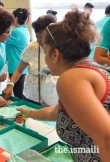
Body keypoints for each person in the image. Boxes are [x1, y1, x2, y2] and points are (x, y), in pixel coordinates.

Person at [17, 10, 110, 162]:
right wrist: (27, 113)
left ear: (55, 55)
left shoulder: (71, 79)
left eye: (46, 52)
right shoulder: (91, 69)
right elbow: (55, 113)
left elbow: (107, 139)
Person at [2, 14, 56, 105]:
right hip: (31, 96)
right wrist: (10, 85)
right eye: (37, 36)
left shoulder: (60, 50)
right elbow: (19, 70)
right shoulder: (32, 47)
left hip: (52, 98)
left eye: (41, 36)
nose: (39, 40)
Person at [5, 8, 30, 99]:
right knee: (19, 92)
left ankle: (22, 111)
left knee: (18, 94)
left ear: (15, 18)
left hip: (16, 66)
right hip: (22, 65)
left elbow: (1, 39)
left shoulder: (15, 32)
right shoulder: (25, 30)